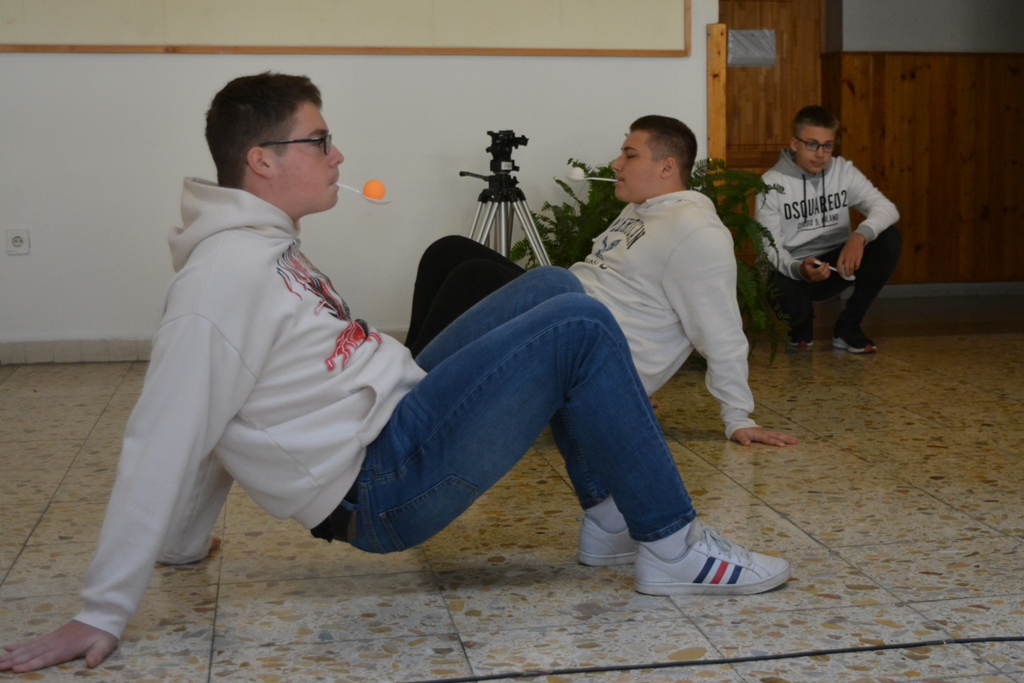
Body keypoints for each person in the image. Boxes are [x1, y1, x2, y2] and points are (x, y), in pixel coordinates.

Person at [1, 74, 790, 674]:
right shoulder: (221, 279)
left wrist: (181, 543)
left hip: (398, 412)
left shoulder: (265, 246)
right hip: (383, 481)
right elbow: (169, 431)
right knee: (582, 324)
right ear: (262, 160)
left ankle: (613, 515)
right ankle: (671, 544)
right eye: (319, 141)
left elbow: (226, 405)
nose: (338, 154)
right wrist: (102, 611)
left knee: (555, 288)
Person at [406, 116, 798, 450]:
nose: (616, 164)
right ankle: (402, 373)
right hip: (571, 317)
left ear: (667, 167)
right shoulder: (640, 210)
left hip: (591, 351)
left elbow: (722, 332)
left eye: (630, 155)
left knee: (476, 277)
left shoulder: (698, 233)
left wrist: (738, 416)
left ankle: (407, 400)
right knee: (448, 251)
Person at [757, 105, 902, 353]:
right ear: (794, 143)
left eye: (828, 146)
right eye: (812, 144)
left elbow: (887, 208)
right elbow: (770, 249)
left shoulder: (843, 171)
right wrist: (800, 270)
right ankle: (800, 326)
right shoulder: (771, 184)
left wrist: (859, 236)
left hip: (838, 264)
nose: (820, 154)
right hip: (794, 269)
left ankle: (848, 326)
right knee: (783, 291)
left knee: (889, 238)